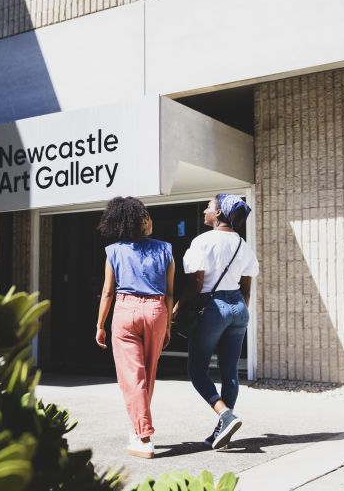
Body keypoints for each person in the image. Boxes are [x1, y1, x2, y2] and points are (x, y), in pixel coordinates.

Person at [173, 194, 258, 450]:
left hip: (213, 308)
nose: (204, 212)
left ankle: (225, 415)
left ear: (218, 214)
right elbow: (246, 289)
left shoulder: (203, 241)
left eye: (208, 207)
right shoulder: (244, 245)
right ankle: (224, 431)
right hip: (239, 307)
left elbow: (197, 284)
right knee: (229, 372)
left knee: (197, 370)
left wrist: (178, 307)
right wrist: (238, 314)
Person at [95, 196, 175, 459]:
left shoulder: (114, 251)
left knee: (132, 377)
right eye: (145, 216)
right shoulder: (165, 249)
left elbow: (107, 292)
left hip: (125, 310)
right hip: (156, 311)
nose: (149, 220)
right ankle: (138, 427)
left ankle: (144, 436)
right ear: (138, 222)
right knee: (146, 375)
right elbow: (170, 293)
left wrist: (100, 325)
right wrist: (168, 326)